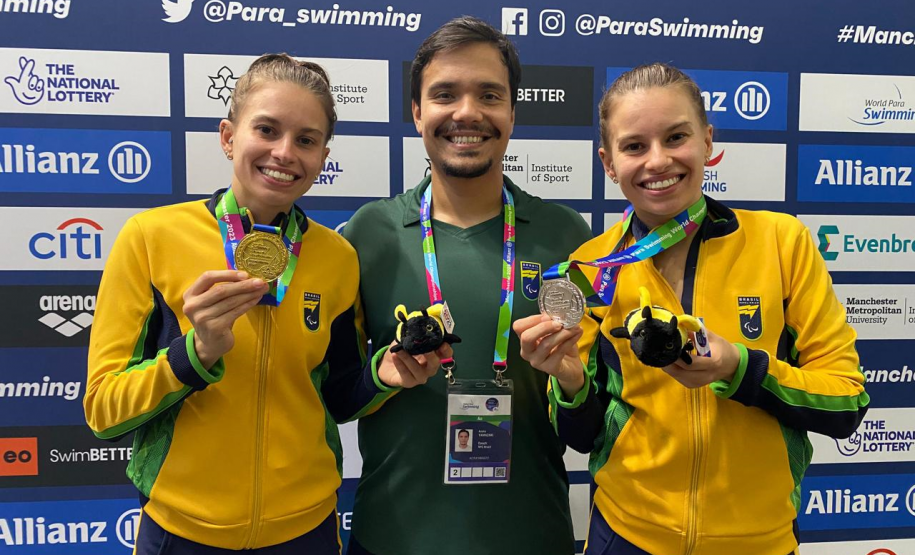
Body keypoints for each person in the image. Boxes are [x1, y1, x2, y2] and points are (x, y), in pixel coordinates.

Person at [84, 54, 439, 555]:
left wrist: (383, 375)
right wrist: (196, 353)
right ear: (229, 137)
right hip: (184, 532)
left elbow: (337, 397)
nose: (285, 152)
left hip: (306, 530)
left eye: (306, 140)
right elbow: (104, 411)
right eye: (267, 130)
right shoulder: (151, 237)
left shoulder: (337, 257)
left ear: (323, 156)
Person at [513, 63, 869, 555]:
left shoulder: (781, 242)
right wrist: (570, 383)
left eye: (676, 137)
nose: (658, 161)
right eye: (634, 146)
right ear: (609, 163)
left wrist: (739, 367)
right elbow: (582, 435)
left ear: (707, 141)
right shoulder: (591, 268)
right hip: (628, 535)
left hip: (758, 542)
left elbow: (847, 404)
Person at [342, 16, 592, 555]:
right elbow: (338, 397)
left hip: (532, 538)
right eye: (445, 94)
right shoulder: (368, 233)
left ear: (512, 112)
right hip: (391, 538)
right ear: (416, 111)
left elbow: (590, 424)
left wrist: (572, 384)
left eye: (489, 95)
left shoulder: (567, 235)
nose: (467, 112)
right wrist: (382, 376)